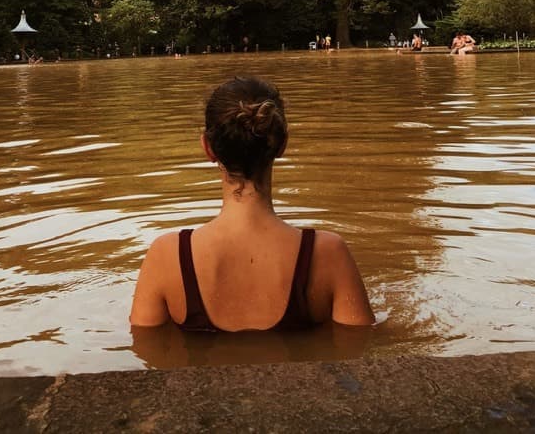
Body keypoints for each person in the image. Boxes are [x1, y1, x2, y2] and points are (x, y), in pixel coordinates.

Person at [130, 77, 373, 332]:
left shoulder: (167, 256)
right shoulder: (327, 253)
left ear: (208, 147)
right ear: (282, 144)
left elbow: (146, 354)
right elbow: (359, 353)